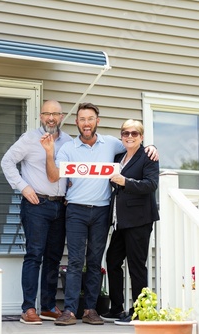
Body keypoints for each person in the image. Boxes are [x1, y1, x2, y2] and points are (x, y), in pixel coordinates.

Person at [40, 103, 158, 326]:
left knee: (95, 261)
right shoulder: (67, 148)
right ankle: (70, 311)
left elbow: (134, 150)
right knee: (75, 261)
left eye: (90, 119)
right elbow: (54, 176)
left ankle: (91, 310)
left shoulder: (112, 143)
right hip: (75, 209)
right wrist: (49, 153)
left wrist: (151, 146)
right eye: (82, 119)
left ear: (97, 121)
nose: (86, 123)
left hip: (102, 211)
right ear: (77, 122)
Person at [0, 100, 72, 325]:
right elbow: (7, 162)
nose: (51, 118)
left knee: (53, 258)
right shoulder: (29, 139)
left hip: (61, 206)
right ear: (41, 116)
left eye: (56, 114)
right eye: (47, 114)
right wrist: (23, 187)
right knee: (34, 255)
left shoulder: (69, 142)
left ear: (61, 117)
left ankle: (48, 306)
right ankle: (28, 308)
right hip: (36, 205)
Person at [101, 119, 160, 326]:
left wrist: (125, 182)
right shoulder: (119, 157)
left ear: (141, 137)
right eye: (125, 133)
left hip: (139, 220)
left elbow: (151, 185)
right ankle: (116, 307)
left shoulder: (148, 156)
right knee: (112, 260)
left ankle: (139, 312)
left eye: (134, 133)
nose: (129, 137)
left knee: (136, 266)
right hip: (120, 220)